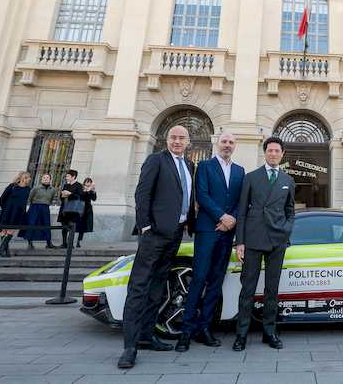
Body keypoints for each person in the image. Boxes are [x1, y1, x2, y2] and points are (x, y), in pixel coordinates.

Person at [118, 125, 195, 369]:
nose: (177, 141)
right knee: (139, 287)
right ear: (167, 139)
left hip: (175, 234)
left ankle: (146, 336)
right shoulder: (156, 160)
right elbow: (142, 194)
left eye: (182, 138)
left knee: (158, 286)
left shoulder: (189, 165)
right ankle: (130, 347)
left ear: (188, 141)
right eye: (173, 137)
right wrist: (145, 227)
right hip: (154, 235)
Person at [176, 133, 245, 352]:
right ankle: (186, 332)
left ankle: (204, 328)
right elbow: (202, 196)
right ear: (217, 143)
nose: (227, 145)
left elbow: (240, 200)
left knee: (216, 282)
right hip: (207, 230)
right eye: (224, 141)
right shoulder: (204, 166)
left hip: (227, 234)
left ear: (235, 146)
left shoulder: (239, 171)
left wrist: (231, 219)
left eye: (231, 142)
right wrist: (222, 217)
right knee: (198, 279)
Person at [232, 136, 295, 352]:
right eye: (270, 151)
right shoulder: (251, 178)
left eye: (277, 151)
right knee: (247, 289)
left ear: (282, 154)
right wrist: (239, 241)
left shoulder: (288, 180)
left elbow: (290, 210)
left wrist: (287, 230)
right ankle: (241, 335)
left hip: (277, 240)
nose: (274, 154)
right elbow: (241, 212)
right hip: (253, 239)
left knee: (272, 290)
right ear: (265, 152)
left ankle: (269, 332)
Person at [0, 172, 32, 258]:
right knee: (4, 230)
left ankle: (2, 250)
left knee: (11, 230)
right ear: (24, 178)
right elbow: (2, 198)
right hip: (8, 211)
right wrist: (5, 208)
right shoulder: (12, 186)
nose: (30, 179)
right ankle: (4, 250)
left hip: (19, 212)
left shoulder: (28, 189)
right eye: (28, 178)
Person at [19, 173, 57, 249]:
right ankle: (30, 243)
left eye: (47, 178)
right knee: (32, 224)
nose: (46, 179)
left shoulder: (52, 189)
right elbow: (30, 198)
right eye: (44, 178)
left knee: (46, 224)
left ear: (50, 179)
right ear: (41, 179)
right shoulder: (36, 188)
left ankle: (49, 243)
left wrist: (46, 204)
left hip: (45, 208)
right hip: (35, 208)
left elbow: (51, 199)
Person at [58, 170, 83, 248]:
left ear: (73, 177)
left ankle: (70, 244)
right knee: (64, 226)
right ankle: (64, 243)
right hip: (65, 208)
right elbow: (61, 196)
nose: (66, 177)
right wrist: (62, 196)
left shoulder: (79, 185)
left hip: (73, 210)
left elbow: (80, 197)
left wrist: (70, 194)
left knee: (71, 227)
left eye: (68, 176)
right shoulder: (66, 185)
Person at [75, 177, 97, 248]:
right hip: (81, 209)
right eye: (87, 182)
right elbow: (82, 196)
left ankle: (79, 241)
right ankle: (71, 239)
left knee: (84, 227)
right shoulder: (81, 189)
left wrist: (93, 191)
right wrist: (87, 190)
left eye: (90, 182)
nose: (88, 183)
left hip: (87, 210)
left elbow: (94, 199)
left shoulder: (91, 190)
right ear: (84, 183)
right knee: (77, 225)